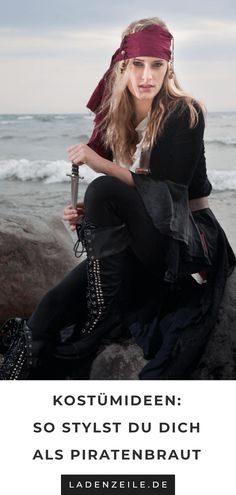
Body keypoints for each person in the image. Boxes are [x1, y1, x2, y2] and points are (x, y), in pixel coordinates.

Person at [0, 17, 235, 380]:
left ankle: (102, 316)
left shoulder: (184, 112)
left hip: (186, 238)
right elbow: (129, 203)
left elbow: (168, 193)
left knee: (104, 188)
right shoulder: (119, 117)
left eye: (157, 65)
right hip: (139, 240)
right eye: (137, 65)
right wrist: (85, 217)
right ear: (122, 67)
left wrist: (99, 165)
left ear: (169, 68)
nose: (147, 76)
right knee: (49, 308)